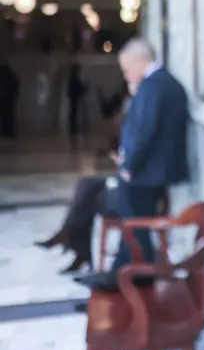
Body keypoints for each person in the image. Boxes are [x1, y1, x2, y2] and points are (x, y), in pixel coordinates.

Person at [74, 39, 189, 292]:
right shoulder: (160, 84)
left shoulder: (153, 86)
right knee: (99, 195)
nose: (125, 75)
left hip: (146, 174)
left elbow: (146, 132)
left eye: (126, 69)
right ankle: (115, 269)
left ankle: (125, 272)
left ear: (140, 62)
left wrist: (129, 165)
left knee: (128, 218)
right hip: (151, 170)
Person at [35, 80, 136, 273]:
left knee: (87, 200)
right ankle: (72, 241)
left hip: (130, 185)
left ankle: (73, 242)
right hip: (124, 176)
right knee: (85, 183)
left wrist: (123, 162)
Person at [67, 62, 89, 148]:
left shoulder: (73, 80)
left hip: (74, 98)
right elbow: (78, 89)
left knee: (73, 113)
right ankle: (73, 128)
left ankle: (73, 128)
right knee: (74, 113)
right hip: (75, 98)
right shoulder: (73, 80)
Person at [0, 60, 20, 144]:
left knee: (5, 116)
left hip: (4, 100)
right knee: (9, 116)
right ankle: (8, 133)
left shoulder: (4, 76)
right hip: (9, 100)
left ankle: (5, 133)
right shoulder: (12, 76)